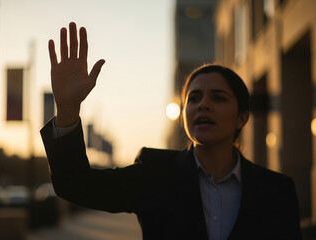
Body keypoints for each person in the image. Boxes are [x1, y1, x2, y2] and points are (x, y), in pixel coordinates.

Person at [40, 22, 302, 240]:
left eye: (219, 98)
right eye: (194, 98)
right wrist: (67, 110)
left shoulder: (276, 190)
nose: (204, 105)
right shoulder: (154, 173)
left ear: (242, 118)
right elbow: (75, 185)